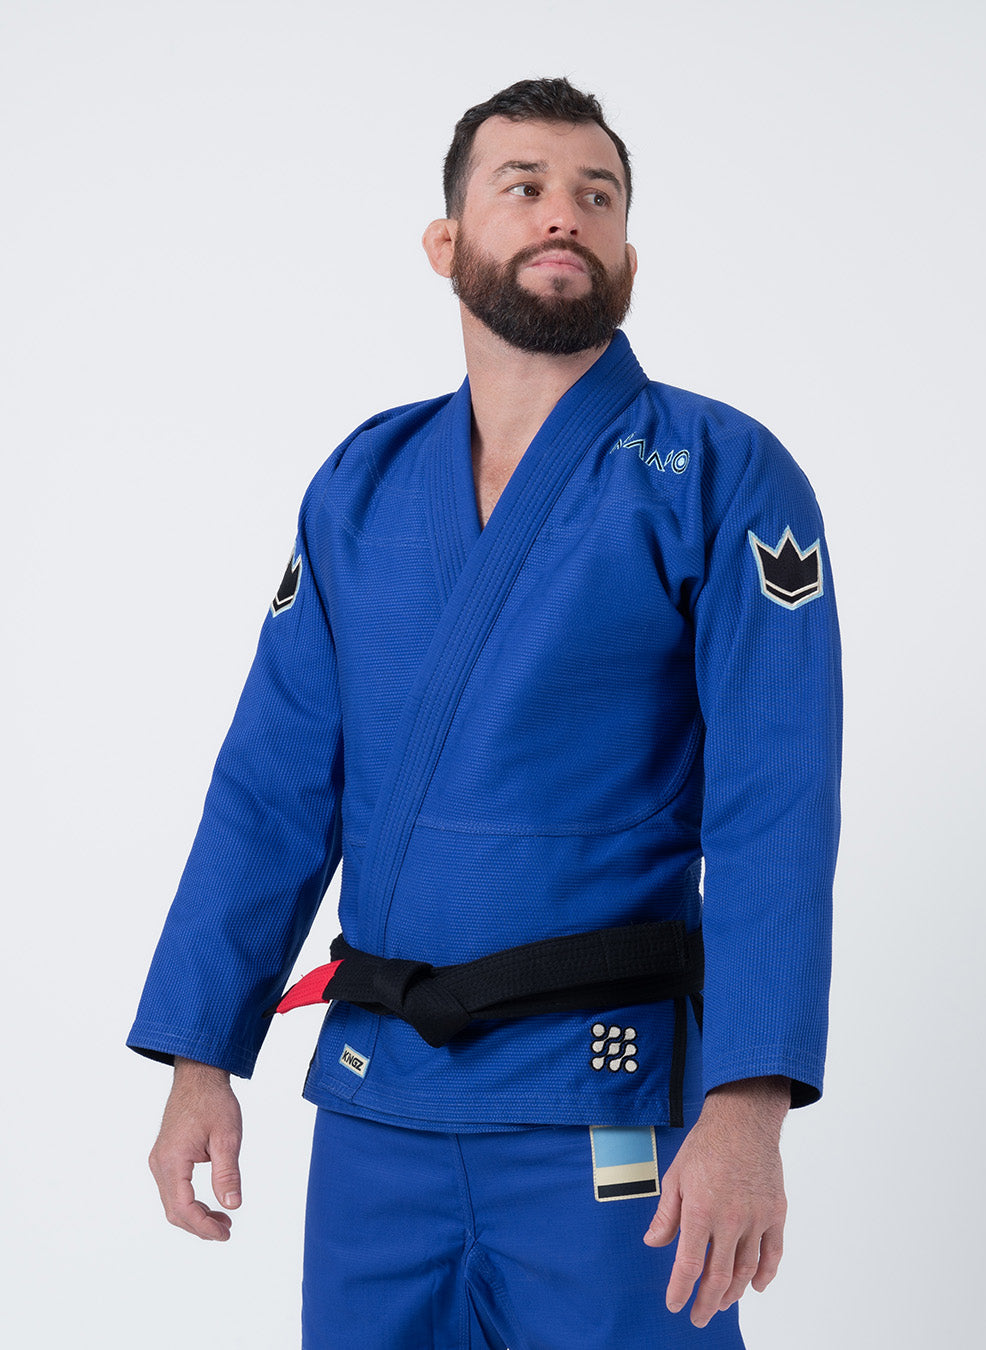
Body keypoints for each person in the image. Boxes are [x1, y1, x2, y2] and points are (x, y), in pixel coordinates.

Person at [129, 77, 841, 1349]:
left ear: (629, 254)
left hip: (605, 1091)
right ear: (446, 243)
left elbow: (775, 802)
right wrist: (202, 1057)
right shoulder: (361, 483)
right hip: (378, 1101)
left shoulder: (721, 472)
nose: (564, 213)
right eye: (525, 187)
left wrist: (748, 1105)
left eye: (597, 196)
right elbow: (272, 789)